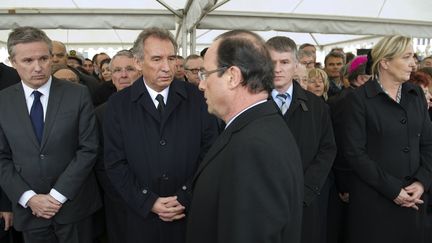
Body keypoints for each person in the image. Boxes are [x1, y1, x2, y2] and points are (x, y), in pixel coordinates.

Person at [186, 29, 304, 243]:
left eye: (206, 74)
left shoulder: (254, 147)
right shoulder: (257, 128)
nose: (201, 84)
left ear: (233, 76)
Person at [103, 27, 219, 243]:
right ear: (138, 62)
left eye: (172, 58)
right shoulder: (118, 105)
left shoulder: (198, 99)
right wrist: (148, 202)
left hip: (189, 215)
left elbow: (211, 154)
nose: (167, 67)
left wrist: (184, 196)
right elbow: (115, 163)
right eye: (157, 59)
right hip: (140, 219)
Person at [0, 26, 101, 243]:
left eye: (44, 58)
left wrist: (56, 196)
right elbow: (1, 158)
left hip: (74, 209)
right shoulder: (3, 101)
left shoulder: (78, 94)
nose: (38, 67)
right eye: (28, 61)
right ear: (13, 62)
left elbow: (88, 149)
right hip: (30, 212)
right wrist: (29, 198)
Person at [342, 35, 432, 243]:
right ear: (385, 62)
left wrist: (422, 182)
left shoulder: (416, 93)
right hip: (374, 203)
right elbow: (354, 153)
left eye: (414, 56)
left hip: (414, 201)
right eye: (407, 57)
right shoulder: (358, 99)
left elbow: (428, 143)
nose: (413, 63)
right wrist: (393, 190)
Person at [266, 36, 336, 243]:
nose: (277, 69)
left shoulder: (317, 106)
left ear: (296, 65)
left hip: (306, 203)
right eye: (271, 62)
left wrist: (305, 192)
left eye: (285, 62)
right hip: (262, 202)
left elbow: (327, 149)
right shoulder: (249, 102)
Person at [94, 49, 141, 243]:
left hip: (159, 199)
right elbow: (99, 162)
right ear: (110, 76)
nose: (123, 75)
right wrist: (125, 195)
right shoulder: (99, 114)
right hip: (119, 201)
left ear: (140, 71)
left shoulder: (160, 107)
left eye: (129, 69)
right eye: (117, 70)